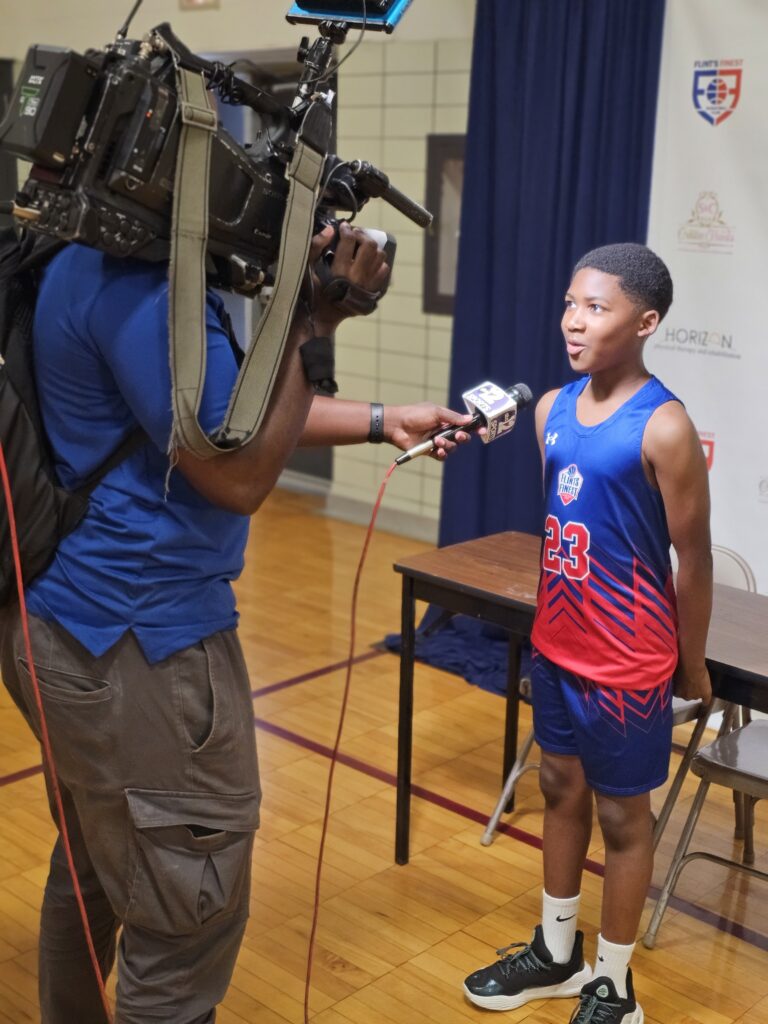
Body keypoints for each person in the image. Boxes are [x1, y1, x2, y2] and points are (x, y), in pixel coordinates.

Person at [0, 220, 474, 1024]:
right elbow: (240, 472)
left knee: (91, 870)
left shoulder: (82, 259)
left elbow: (225, 415)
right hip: (139, 642)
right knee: (186, 917)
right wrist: (314, 318)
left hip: (62, 620)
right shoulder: (145, 290)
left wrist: (380, 417)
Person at [463, 243, 712, 1023]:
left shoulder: (665, 426)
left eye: (595, 308)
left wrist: (692, 665)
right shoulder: (550, 410)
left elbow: (693, 558)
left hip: (630, 659)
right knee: (559, 789)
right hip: (560, 646)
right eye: (570, 304)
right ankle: (557, 951)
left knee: (621, 818)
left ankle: (614, 986)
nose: (573, 321)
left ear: (645, 323)